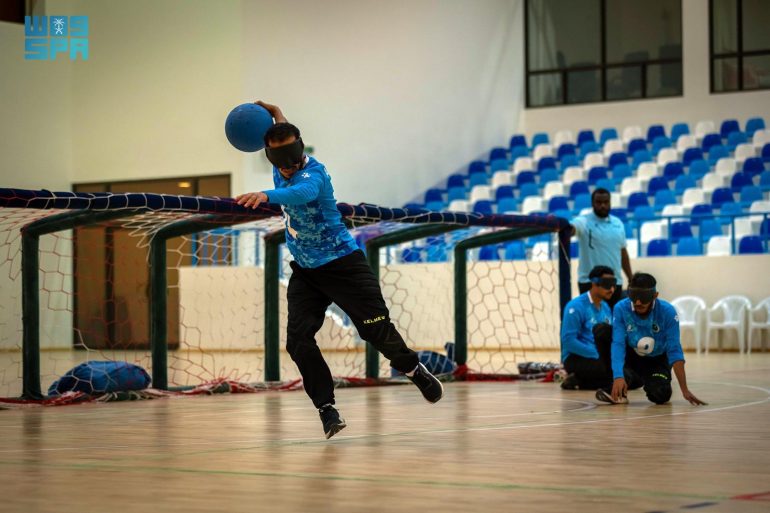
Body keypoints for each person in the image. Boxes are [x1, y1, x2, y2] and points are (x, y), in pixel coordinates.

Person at [234, 101, 443, 439]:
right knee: (298, 341)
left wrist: (265, 194)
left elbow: (301, 193)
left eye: (291, 160)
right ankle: (326, 408)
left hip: (344, 265)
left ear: (301, 152)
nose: (286, 168)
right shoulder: (280, 166)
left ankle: (412, 368)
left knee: (376, 331)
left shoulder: (313, 174)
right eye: (279, 161)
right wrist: (276, 114)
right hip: (307, 272)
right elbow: (283, 139)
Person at [596, 272, 706, 406]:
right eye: (634, 296)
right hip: (632, 355)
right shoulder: (621, 308)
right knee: (602, 331)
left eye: (643, 297)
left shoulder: (667, 312)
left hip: (657, 359)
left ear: (655, 295)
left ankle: (637, 379)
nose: (638, 302)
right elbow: (618, 343)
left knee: (660, 395)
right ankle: (620, 385)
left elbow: (674, 350)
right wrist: (618, 376)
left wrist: (685, 389)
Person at [571, 188, 633, 308]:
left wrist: (630, 278)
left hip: (615, 283)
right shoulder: (583, 221)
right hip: (590, 283)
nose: (602, 205)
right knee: (591, 320)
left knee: (613, 319)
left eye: (606, 202)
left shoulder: (618, 223)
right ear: (592, 203)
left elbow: (622, 252)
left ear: (610, 202)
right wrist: (566, 228)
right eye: (599, 202)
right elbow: (572, 228)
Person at [560, 266, 616, 391]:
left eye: (613, 284)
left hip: (599, 357)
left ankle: (579, 381)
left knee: (631, 375)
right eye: (607, 284)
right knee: (610, 373)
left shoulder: (606, 307)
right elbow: (568, 341)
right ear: (594, 283)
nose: (612, 289)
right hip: (576, 357)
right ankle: (581, 380)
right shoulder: (576, 306)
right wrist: (596, 354)